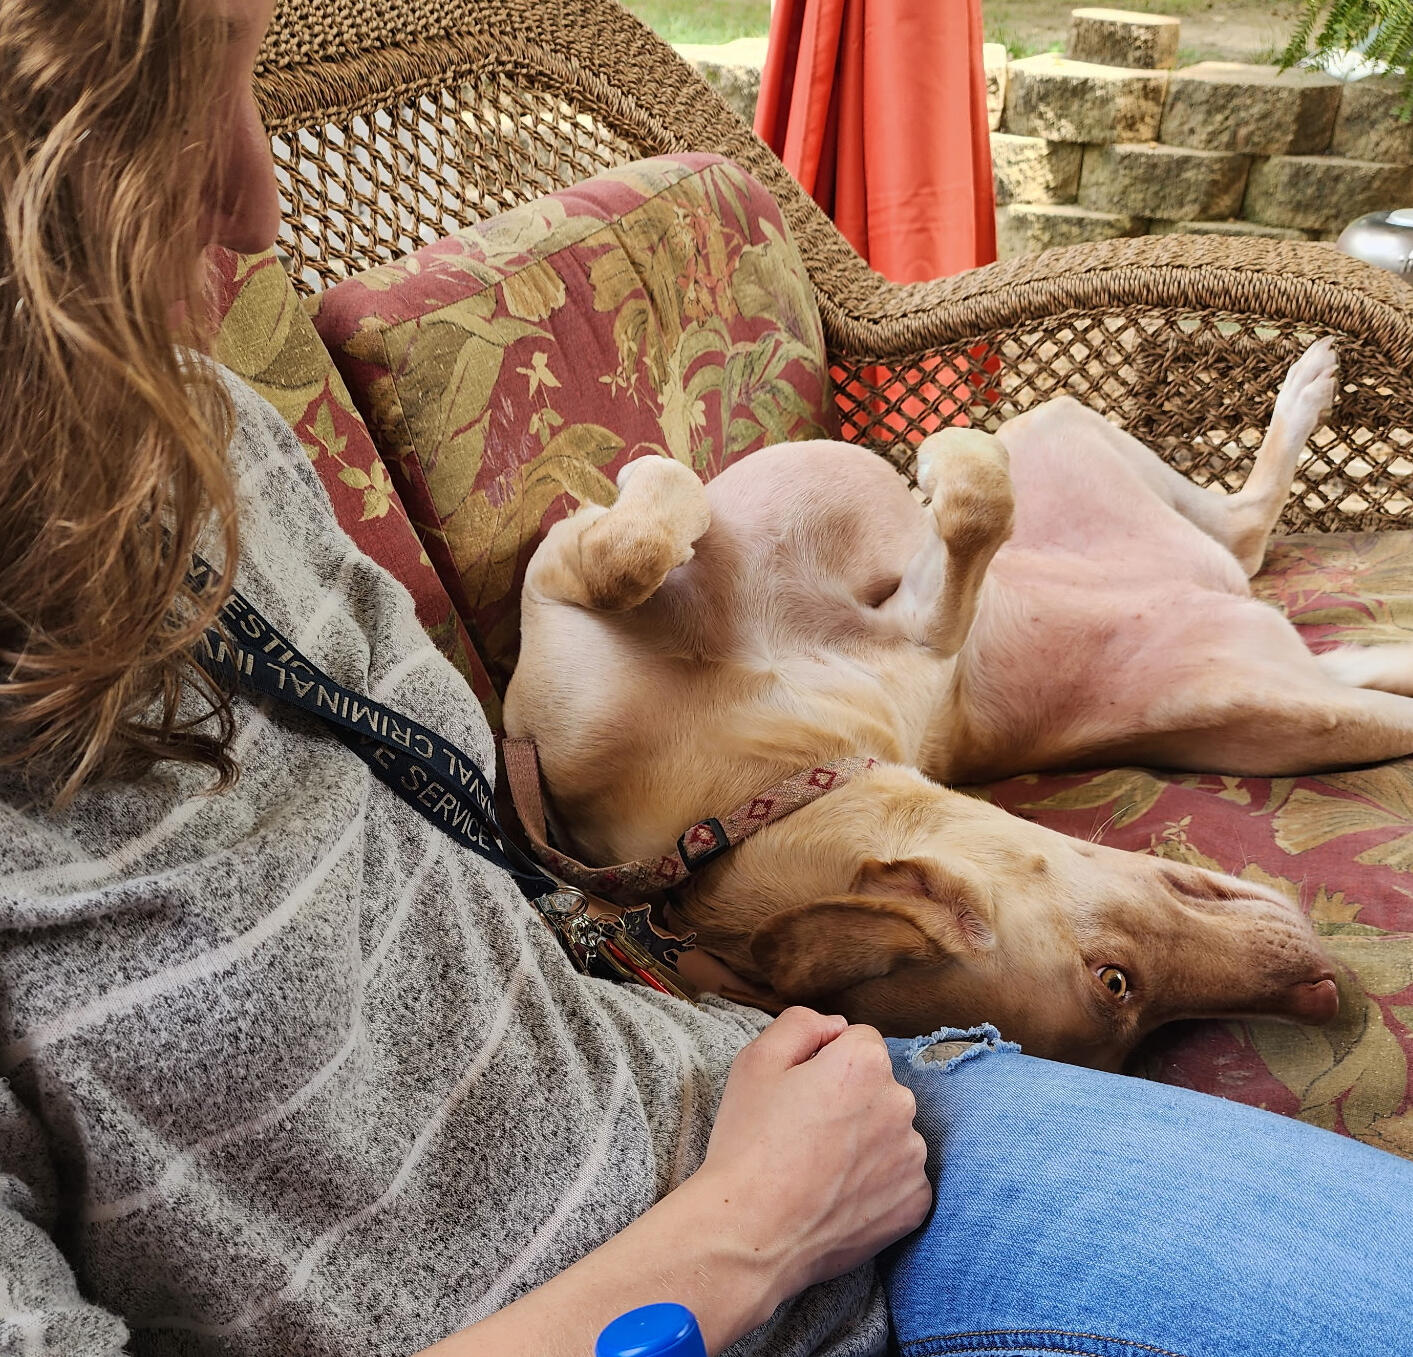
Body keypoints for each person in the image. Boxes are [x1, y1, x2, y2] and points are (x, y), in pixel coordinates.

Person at [0, 4, 1409, 1357]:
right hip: (756, 1226)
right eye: (172, 118)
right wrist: (744, 1236)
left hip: (758, 1099)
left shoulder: (191, 437)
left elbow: (489, 853)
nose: (257, 207)